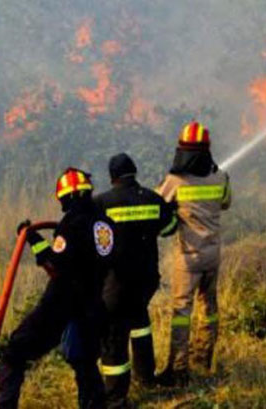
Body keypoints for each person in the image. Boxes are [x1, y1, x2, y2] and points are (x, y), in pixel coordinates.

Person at [0, 168, 116, 409]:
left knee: (13, 353)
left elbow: (57, 265)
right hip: (92, 301)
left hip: (61, 302)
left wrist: (33, 239)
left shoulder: (71, 224)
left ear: (66, 197)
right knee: (85, 360)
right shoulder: (105, 224)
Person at [94, 153, 177, 408]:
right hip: (146, 280)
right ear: (135, 172)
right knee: (140, 324)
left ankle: (116, 397)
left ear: (112, 177)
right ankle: (146, 377)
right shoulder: (152, 198)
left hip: (115, 284)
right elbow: (170, 228)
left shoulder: (101, 203)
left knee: (114, 337)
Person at [156, 120, 231, 386]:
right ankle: (203, 359)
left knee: (181, 312)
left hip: (188, 258)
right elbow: (225, 203)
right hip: (213, 255)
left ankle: (178, 370)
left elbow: (156, 205)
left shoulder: (175, 181)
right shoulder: (221, 176)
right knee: (209, 308)